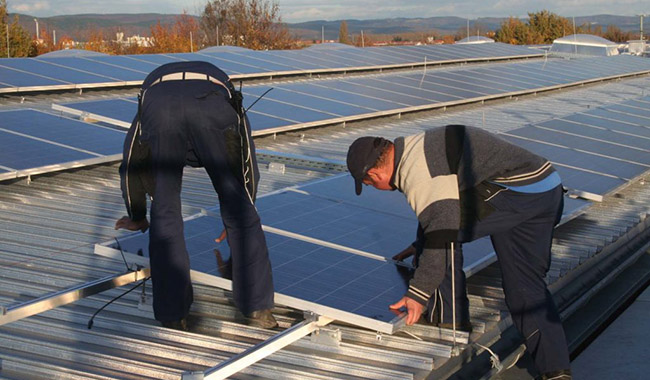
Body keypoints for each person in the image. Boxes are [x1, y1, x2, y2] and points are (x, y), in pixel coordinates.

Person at [346, 125, 571, 380]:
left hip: (515, 193)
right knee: (525, 286)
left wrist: (418, 294)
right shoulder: (413, 146)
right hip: (546, 189)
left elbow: (441, 230)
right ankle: (556, 372)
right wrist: (421, 242)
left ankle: (451, 322)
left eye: (369, 184)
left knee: (439, 234)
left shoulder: (418, 171)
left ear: (374, 173)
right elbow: (444, 203)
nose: (376, 188)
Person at [115, 61, 276, 330]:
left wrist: (138, 214)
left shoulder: (151, 98)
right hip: (212, 102)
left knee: (164, 212)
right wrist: (242, 210)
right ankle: (258, 309)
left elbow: (132, 160)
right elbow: (247, 163)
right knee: (240, 211)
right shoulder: (227, 97)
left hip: (161, 105)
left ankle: (172, 314)